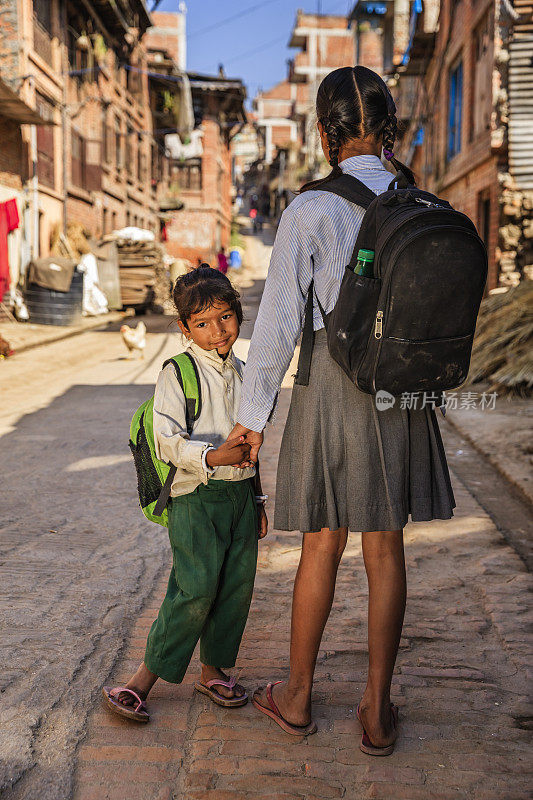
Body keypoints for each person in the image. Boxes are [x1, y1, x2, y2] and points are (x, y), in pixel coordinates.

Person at [229, 66, 455, 753]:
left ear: (327, 136)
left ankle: (295, 698)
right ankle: (376, 710)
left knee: (320, 542)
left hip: (332, 380)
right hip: (398, 385)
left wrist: (251, 421)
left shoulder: (309, 209)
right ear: (385, 129)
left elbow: (273, 329)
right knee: (385, 547)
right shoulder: (419, 201)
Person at [103, 267, 268, 722]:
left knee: (235, 588)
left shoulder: (244, 371)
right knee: (194, 589)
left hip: (238, 500)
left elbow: (252, 442)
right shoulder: (177, 372)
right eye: (202, 323)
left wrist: (257, 501)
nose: (217, 331)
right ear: (185, 328)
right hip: (196, 498)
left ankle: (213, 670)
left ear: (238, 316)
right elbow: (166, 440)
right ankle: (142, 680)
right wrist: (212, 457)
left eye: (226, 317)